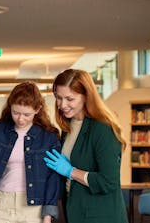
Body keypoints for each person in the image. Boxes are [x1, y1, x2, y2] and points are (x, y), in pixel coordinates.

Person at [43, 69, 128, 223]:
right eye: (59, 98)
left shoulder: (102, 128)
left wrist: (71, 171)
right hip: (75, 212)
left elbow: (108, 181)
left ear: (86, 96)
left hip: (101, 216)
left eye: (70, 99)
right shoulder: (68, 127)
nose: (63, 105)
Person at [0, 82, 62, 223]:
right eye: (15, 112)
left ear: (38, 109)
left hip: (33, 209)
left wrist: (47, 217)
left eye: (27, 114)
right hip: (1, 205)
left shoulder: (49, 137)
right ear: (10, 106)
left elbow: (52, 178)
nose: (20, 119)